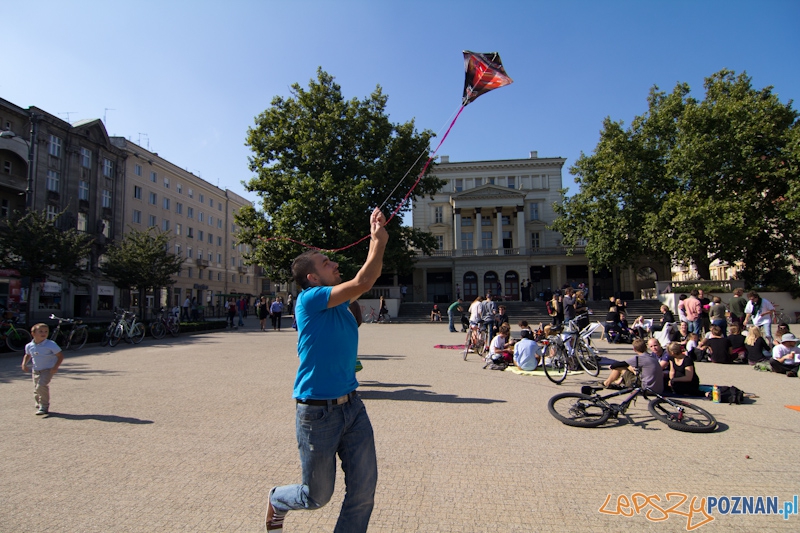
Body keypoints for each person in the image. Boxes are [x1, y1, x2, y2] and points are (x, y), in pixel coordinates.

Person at [265, 207, 387, 532]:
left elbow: (364, 281)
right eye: (326, 262)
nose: (334, 263)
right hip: (317, 412)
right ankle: (279, 498)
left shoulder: (340, 303)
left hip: (353, 407)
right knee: (317, 496)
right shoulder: (308, 300)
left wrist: (375, 241)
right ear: (313, 278)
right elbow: (363, 280)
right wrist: (378, 240)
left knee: (363, 493)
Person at [21, 323, 64, 416]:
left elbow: (60, 356)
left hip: (48, 369)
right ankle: (39, 404)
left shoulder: (50, 344)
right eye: (40, 331)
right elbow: (27, 355)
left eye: (46, 331)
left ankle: (44, 406)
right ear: (33, 333)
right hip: (36, 370)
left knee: (41, 386)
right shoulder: (29, 345)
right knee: (36, 389)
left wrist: (55, 367)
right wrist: (24, 364)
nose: (44, 333)